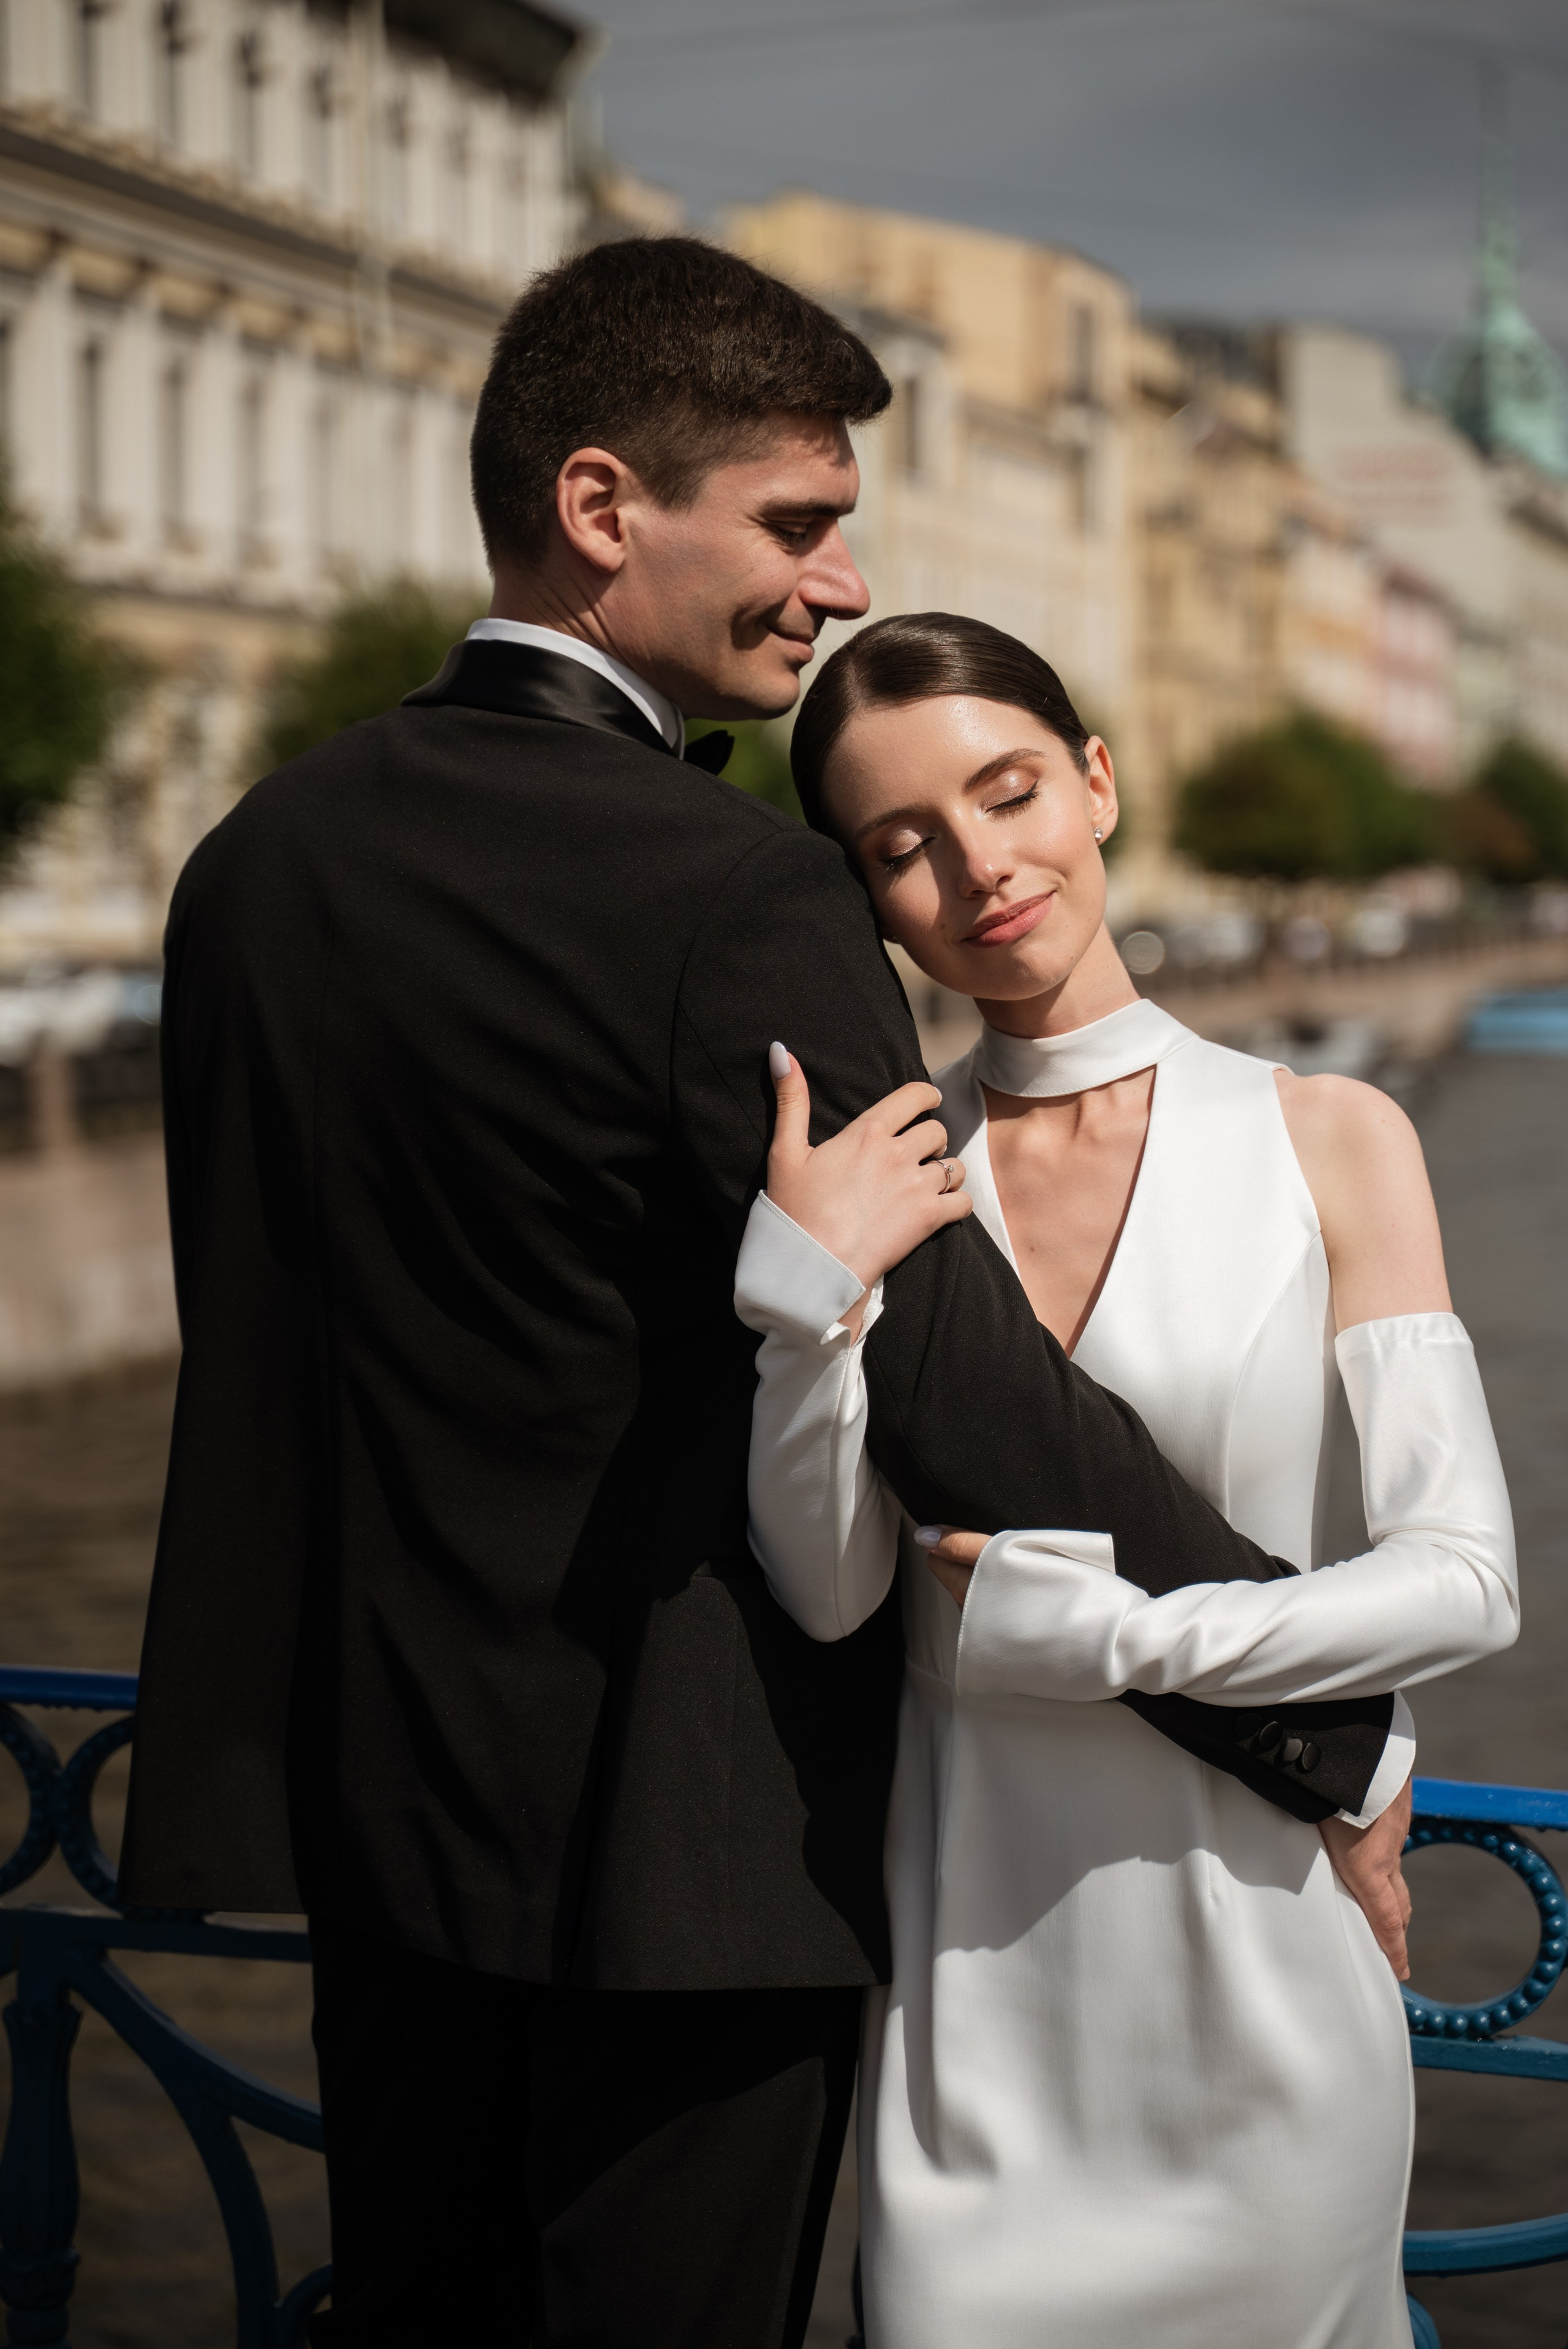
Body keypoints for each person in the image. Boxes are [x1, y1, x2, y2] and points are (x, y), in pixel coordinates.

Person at [120, 241, 1405, 2345]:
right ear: (605, 506)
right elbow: (967, 1385)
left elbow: (266, 1344)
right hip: (688, 1863)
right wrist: (1324, 1717)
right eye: (799, 526)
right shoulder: (741, 887)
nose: (834, 589)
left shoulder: (257, 854)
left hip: (376, 1838)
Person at [734, 611, 1518, 2348]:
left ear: (1096, 781)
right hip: (973, 2013)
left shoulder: (1328, 1132)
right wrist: (799, 1311)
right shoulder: (894, 1176)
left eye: (1007, 790)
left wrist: (1111, 1636)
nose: (978, 866)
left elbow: (1470, 1577)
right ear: (865, 898)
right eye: (903, 845)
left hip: (1262, 1993)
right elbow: (835, 1587)